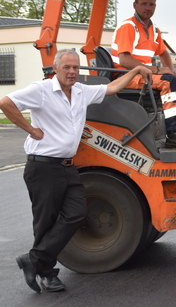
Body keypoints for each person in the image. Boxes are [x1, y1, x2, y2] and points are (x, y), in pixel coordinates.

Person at [0, 49, 152, 293]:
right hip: (43, 167)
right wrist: (31, 129)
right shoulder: (41, 90)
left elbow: (111, 89)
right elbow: (6, 103)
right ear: (55, 68)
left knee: (76, 213)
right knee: (45, 222)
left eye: (75, 68)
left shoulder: (81, 91)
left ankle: (34, 260)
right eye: (67, 67)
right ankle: (47, 274)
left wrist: (134, 70)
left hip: (68, 167)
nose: (71, 72)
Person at [111, 0, 176, 149]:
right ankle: (173, 134)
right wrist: (157, 70)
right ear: (135, 5)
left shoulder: (154, 30)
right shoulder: (128, 27)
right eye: (144, 4)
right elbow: (124, 59)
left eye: (151, 5)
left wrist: (170, 69)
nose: (148, 8)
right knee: (168, 81)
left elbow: (163, 53)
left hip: (143, 75)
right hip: (126, 76)